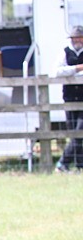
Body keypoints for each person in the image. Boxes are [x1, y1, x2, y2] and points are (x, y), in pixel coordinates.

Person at [55, 25, 83, 172]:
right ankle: (79, 166)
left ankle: (62, 162)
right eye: (74, 38)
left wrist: (71, 72)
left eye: (79, 37)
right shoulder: (65, 52)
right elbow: (59, 71)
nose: (77, 40)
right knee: (74, 133)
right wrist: (78, 68)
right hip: (70, 97)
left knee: (79, 132)